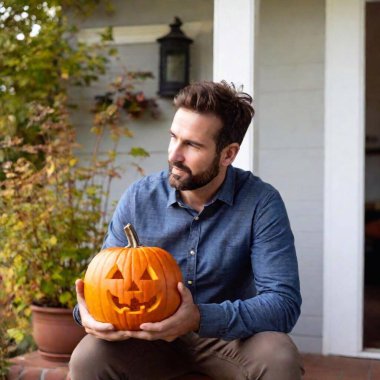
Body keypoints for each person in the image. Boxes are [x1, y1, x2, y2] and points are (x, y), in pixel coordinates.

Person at [69, 81, 304, 380]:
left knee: (279, 356)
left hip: (228, 338)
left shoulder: (261, 202)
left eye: (192, 145)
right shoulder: (139, 198)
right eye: (173, 138)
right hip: (148, 338)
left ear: (228, 154)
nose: (174, 155)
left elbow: (283, 304)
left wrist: (198, 318)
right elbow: (105, 284)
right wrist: (87, 315)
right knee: (88, 357)